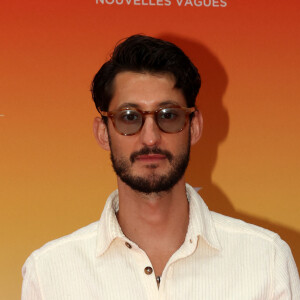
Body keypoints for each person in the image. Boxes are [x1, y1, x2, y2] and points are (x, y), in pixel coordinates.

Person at [21, 34, 300, 299]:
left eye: (168, 115)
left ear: (194, 127)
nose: (151, 137)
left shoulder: (266, 260)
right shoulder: (49, 273)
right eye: (129, 117)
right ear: (103, 132)